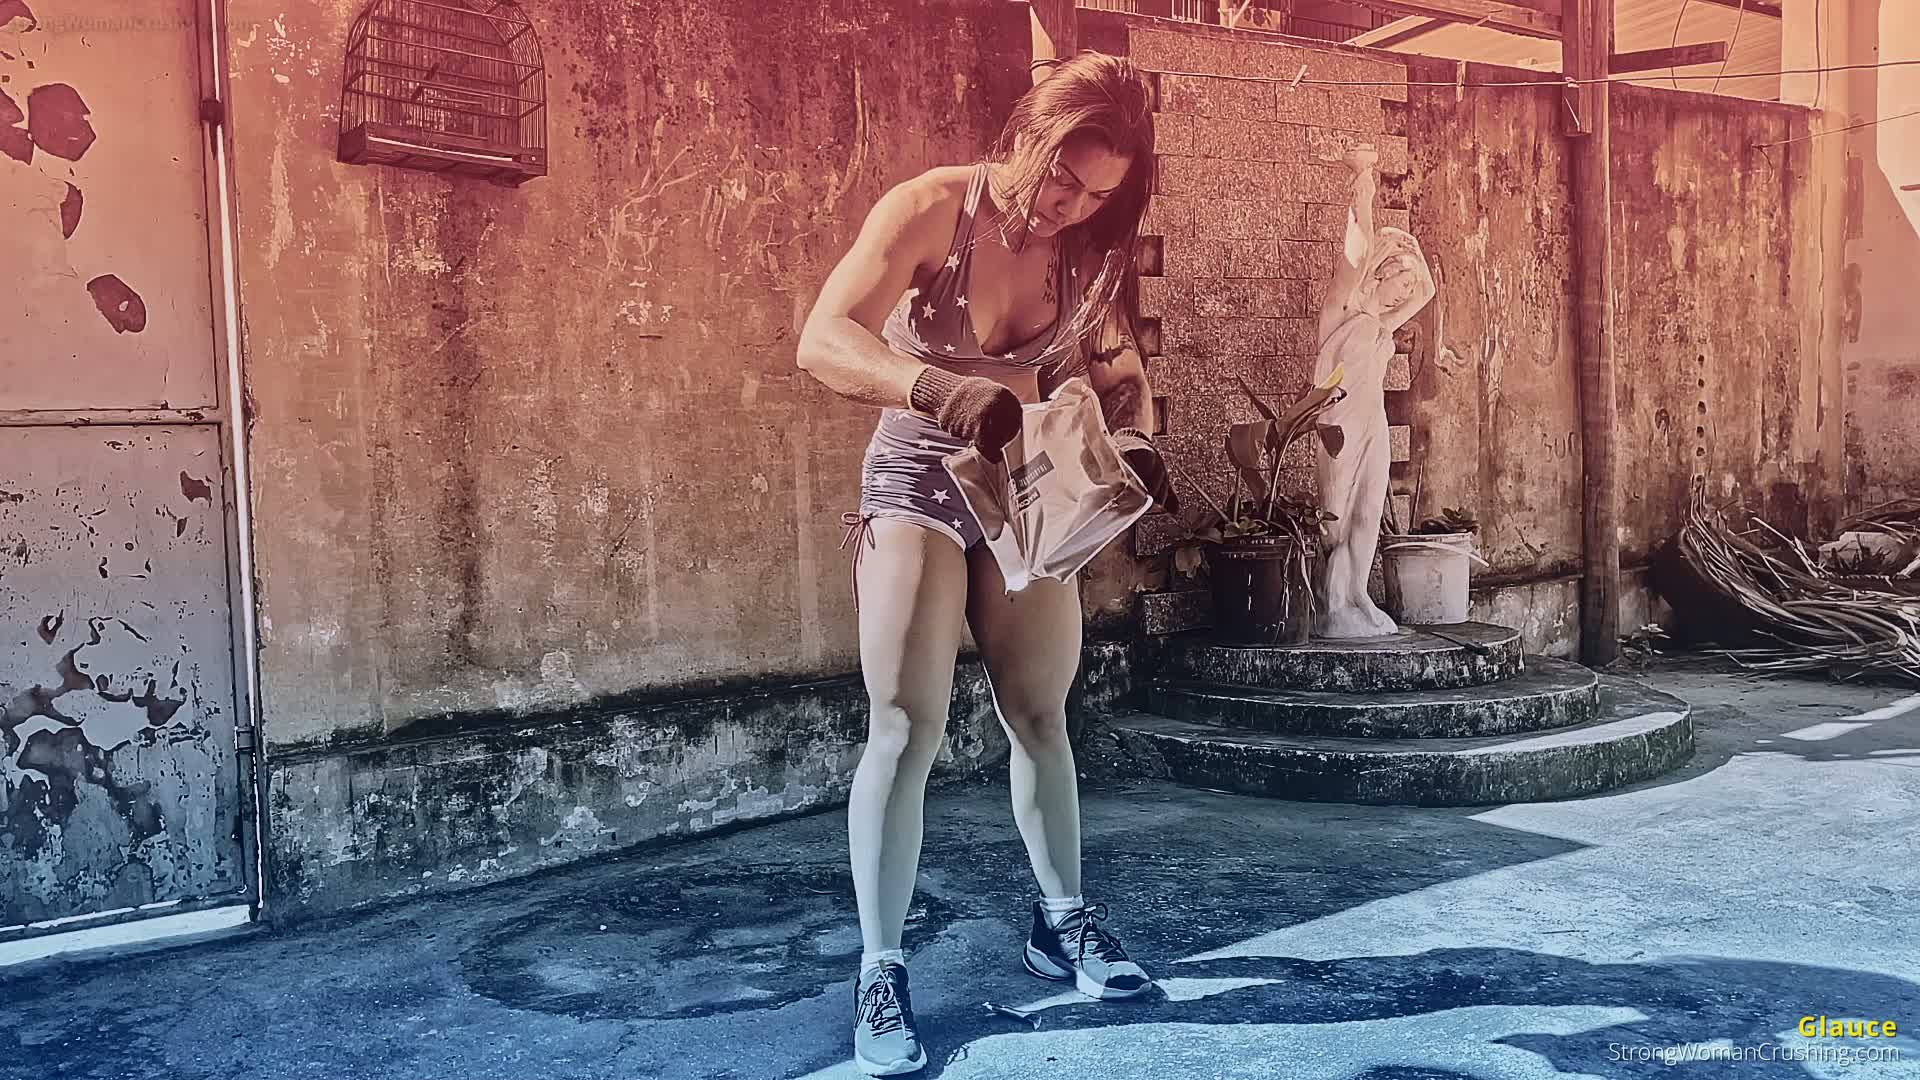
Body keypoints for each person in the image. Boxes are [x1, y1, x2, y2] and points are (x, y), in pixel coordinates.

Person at [794, 10, 1175, 1076]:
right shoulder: (930, 207)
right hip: (916, 482)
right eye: (1065, 179)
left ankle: (1062, 924)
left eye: (1098, 195)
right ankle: (881, 971)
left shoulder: (1089, 253)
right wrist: (933, 387)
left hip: (1027, 494)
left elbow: (1121, 369)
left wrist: (1135, 443)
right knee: (904, 727)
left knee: (1042, 715)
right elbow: (822, 338)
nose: (1071, 205)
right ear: (1030, 134)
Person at [1312, 146, 1438, 639]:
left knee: (1368, 509)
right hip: (1338, 424)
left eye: (1406, 289)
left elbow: (1427, 291)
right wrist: (1363, 182)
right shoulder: (1342, 311)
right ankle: (1331, 603)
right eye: (1398, 283)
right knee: (1335, 517)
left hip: (1373, 423)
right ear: (1379, 275)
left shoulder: (1383, 325)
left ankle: (1359, 595)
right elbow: (1357, 253)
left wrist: (1409, 252)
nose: (1404, 295)